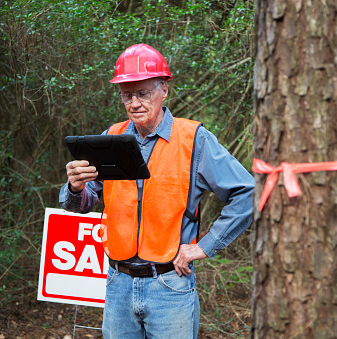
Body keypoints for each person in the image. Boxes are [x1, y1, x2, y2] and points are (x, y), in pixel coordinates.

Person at [59, 43, 255, 339]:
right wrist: (75, 187)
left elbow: (248, 193)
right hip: (117, 285)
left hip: (169, 286)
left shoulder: (194, 140)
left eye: (144, 92)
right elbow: (82, 204)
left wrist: (204, 246)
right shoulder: (110, 137)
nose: (134, 102)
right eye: (127, 95)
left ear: (164, 90)